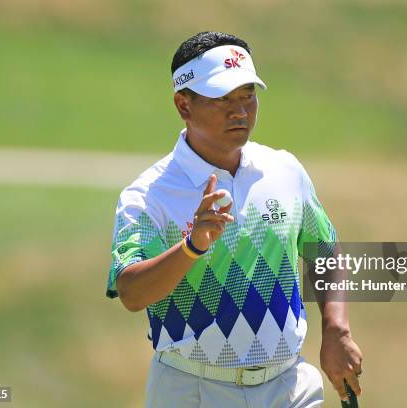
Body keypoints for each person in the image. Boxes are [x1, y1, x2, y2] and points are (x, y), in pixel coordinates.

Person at [105, 31, 363, 407]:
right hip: (193, 389)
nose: (239, 111)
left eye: (247, 96)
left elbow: (323, 249)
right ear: (183, 105)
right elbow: (131, 292)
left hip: (290, 386)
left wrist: (336, 328)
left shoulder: (284, 170)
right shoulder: (147, 196)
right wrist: (191, 248)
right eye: (222, 98)